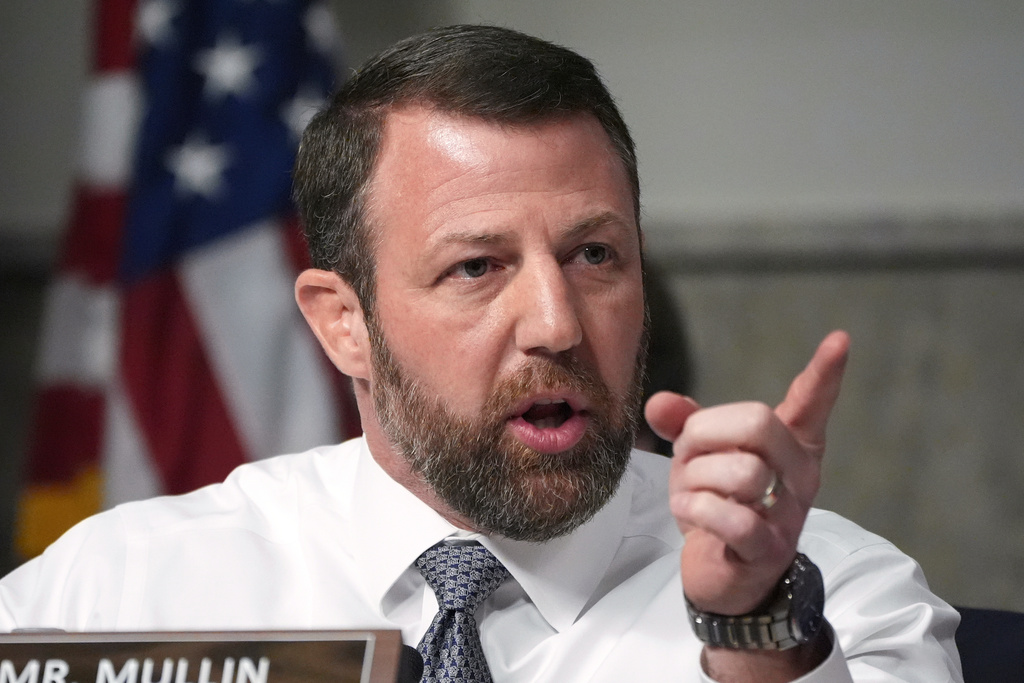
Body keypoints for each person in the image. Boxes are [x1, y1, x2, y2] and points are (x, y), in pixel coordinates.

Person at [0, 25, 961, 683]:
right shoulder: (116, 594)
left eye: (594, 255)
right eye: (476, 266)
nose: (556, 323)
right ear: (343, 323)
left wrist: (755, 631)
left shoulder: (831, 593)